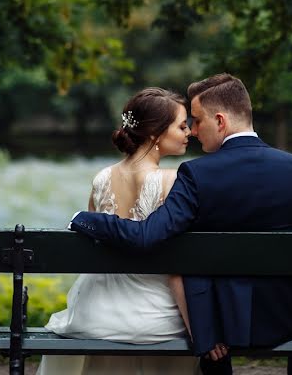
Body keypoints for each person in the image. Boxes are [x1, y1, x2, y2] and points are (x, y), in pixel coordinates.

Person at [70, 74, 292, 375]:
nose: (192, 131)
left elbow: (147, 236)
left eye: (196, 121)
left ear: (220, 121)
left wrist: (84, 219)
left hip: (226, 322)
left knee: (206, 309)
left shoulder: (196, 174)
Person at [37, 87, 199, 375]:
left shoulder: (101, 179)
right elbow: (176, 266)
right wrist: (197, 326)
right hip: (153, 317)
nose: (189, 132)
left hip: (93, 313)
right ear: (154, 133)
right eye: (182, 125)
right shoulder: (172, 181)